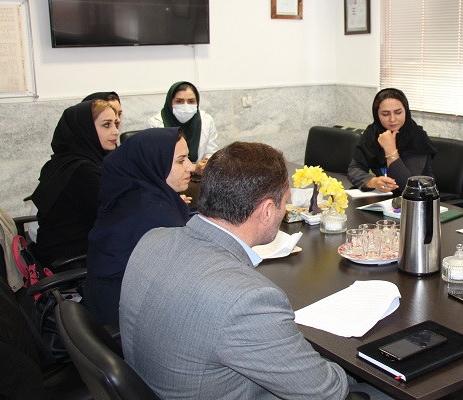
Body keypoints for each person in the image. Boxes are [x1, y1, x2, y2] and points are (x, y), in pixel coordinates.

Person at [120, 142, 351, 399]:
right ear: (267, 211)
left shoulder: (152, 239)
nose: (284, 210)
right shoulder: (247, 300)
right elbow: (326, 392)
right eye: (284, 202)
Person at [83, 128, 193, 326]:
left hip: (101, 305)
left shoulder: (132, 194)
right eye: (181, 160)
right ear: (155, 163)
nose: (190, 167)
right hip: (125, 317)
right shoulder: (156, 217)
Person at [30, 100, 119, 270]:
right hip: (72, 259)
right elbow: (116, 212)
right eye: (106, 125)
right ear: (86, 129)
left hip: (56, 251)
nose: (115, 131)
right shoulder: (82, 171)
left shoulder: (65, 161)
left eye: (115, 124)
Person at [347, 88, 436, 193]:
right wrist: (372, 182)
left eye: (398, 113)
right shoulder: (373, 132)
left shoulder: (417, 137)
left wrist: (390, 150)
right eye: (385, 114)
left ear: (406, 111)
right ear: (377, 115)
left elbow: (407, 186)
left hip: (419, 197)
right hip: (384, 197)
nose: (392, 119)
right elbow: (354, 169)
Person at [148, 81, 218, 175]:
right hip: (169, 177)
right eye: (179, 101)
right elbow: (157, 160)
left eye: (191, 101)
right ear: (170, 102)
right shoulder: (156, 123)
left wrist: (205, 165)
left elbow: (211, 153)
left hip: (199, 177)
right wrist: (193, 168)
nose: (185, 106)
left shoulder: (206, 120)